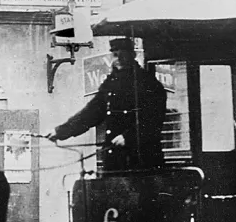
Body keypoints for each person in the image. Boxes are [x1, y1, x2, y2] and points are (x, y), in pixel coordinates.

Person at [47, 37, 167, 171]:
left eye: (123, 55)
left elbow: (153, 119)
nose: (119, 59)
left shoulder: (148, 83)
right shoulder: (111, 84)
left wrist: (129, 137)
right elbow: (91, 113)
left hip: (142, 160)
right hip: (116, 159)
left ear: (132, 55)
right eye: (115, 55)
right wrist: (61, 131)